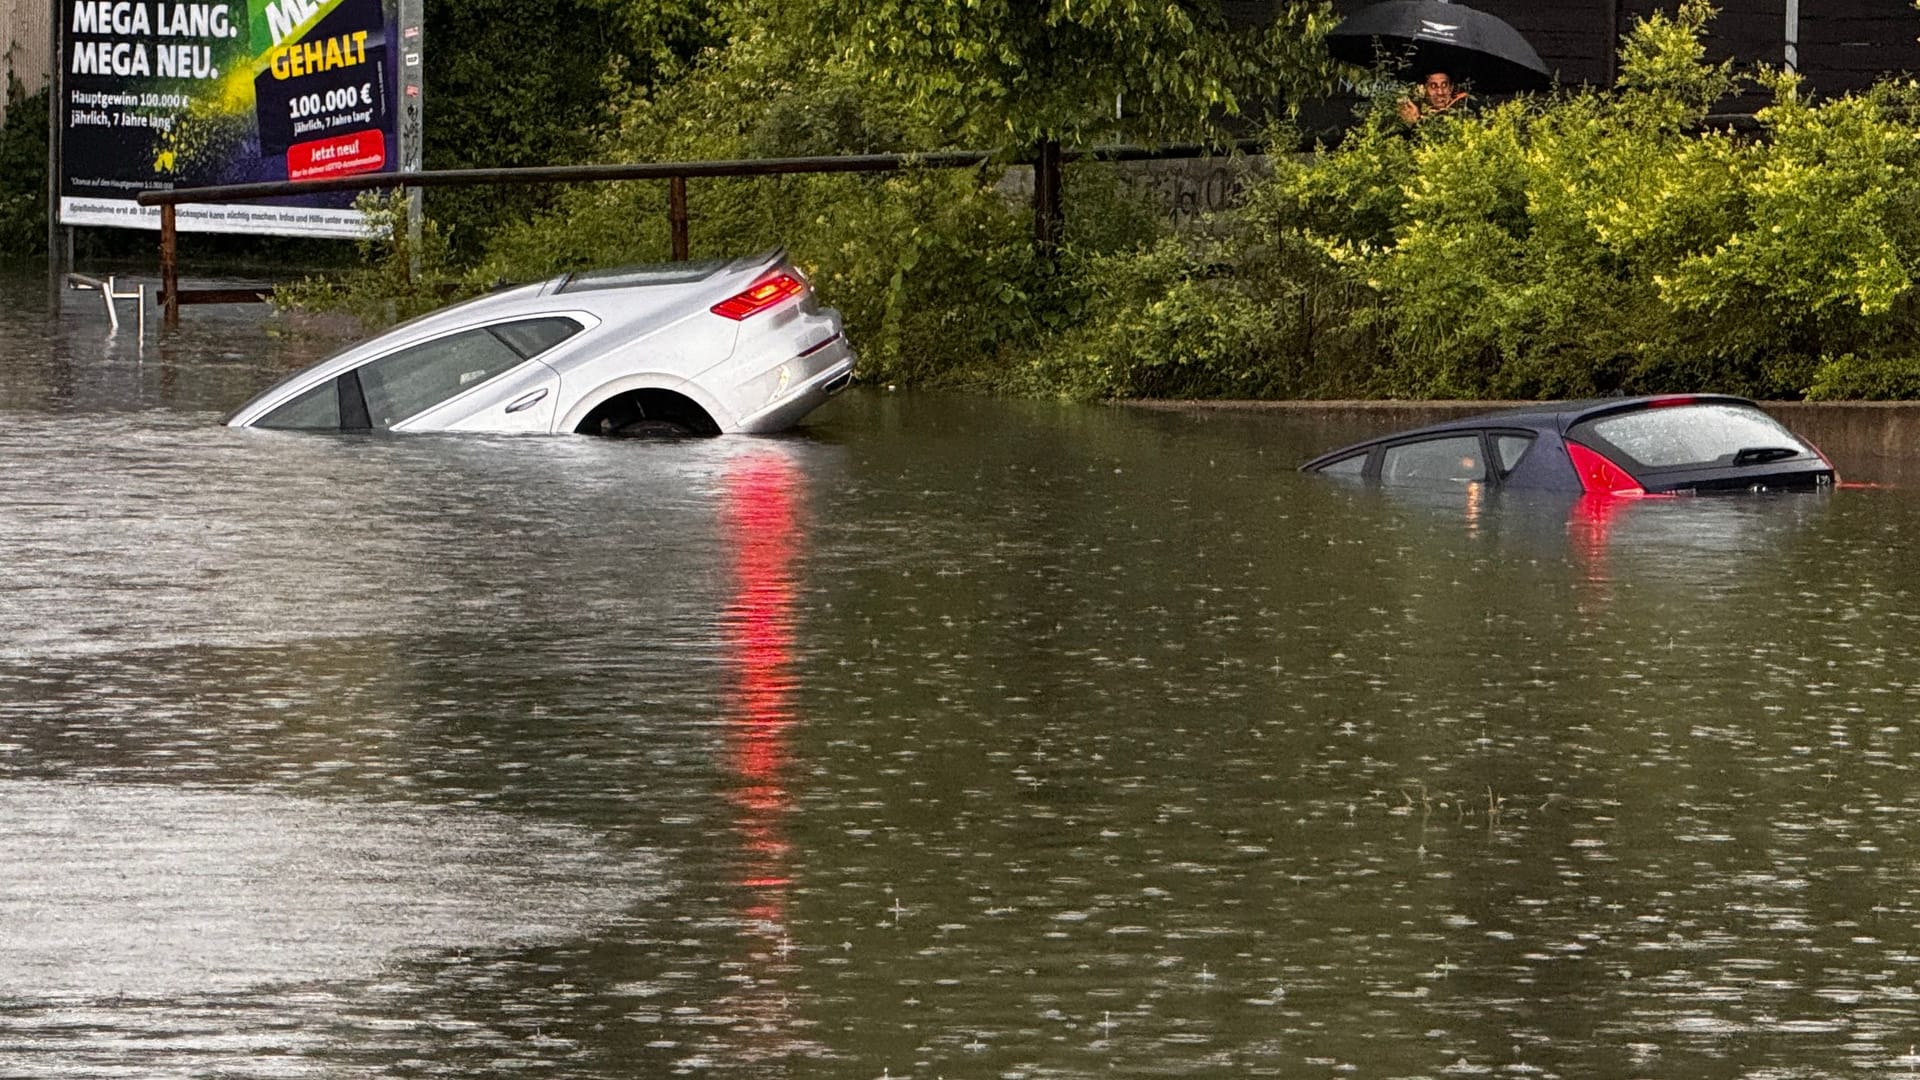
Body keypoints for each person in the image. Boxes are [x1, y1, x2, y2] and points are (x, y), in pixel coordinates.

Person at [1398, 71, 1468, 123]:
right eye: (1433, 86)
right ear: (1424, 89)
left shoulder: (1465, 107)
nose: (1440, 92)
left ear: (1451, 88)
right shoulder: (1417, 109)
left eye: (1444, 85)